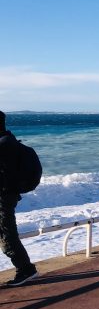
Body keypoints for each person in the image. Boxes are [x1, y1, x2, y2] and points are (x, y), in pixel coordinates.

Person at [0, 111, 38, 287]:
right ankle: (25, 268)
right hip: (9, 195)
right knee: (6, 233)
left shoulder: (3, 145)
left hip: (3, 197)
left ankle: (26, 270)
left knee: (7, 235)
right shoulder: (9, 141)